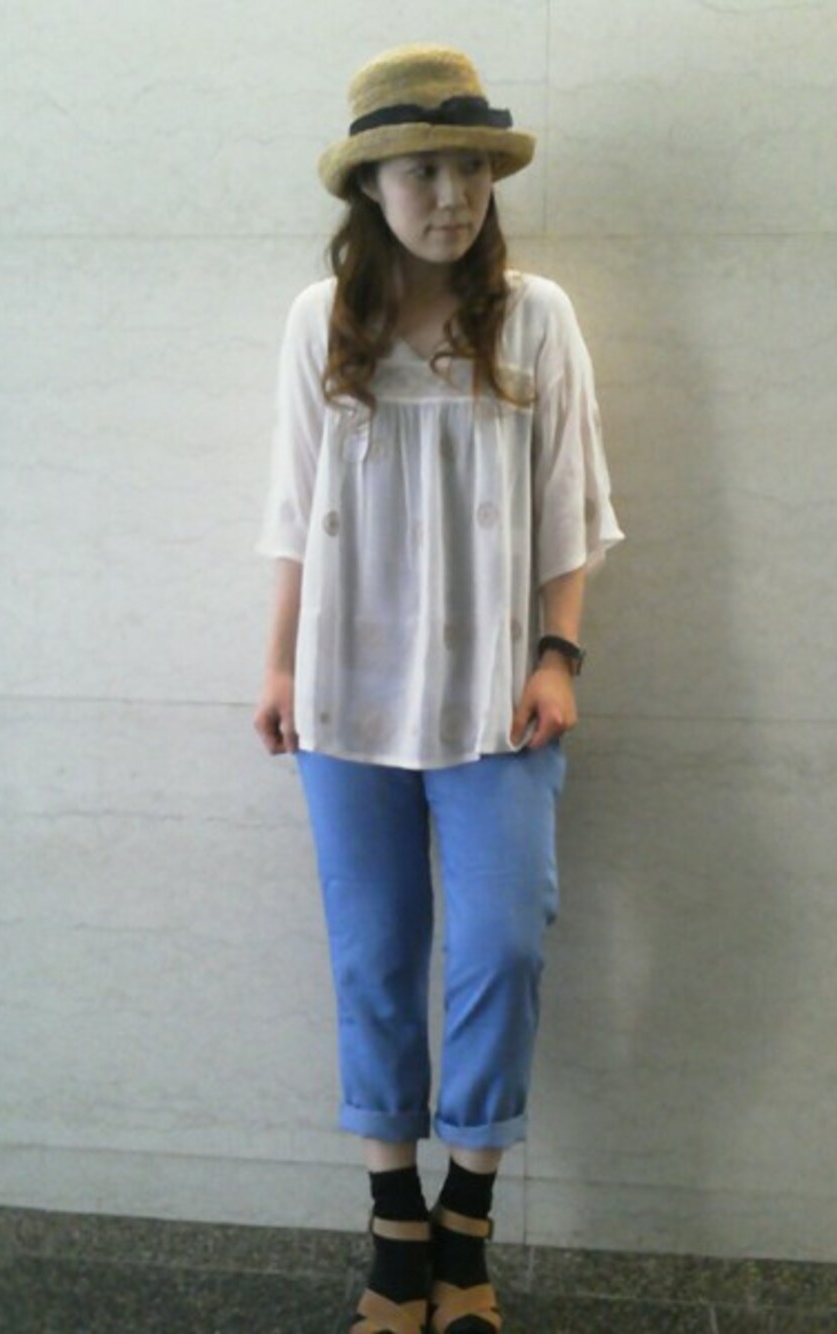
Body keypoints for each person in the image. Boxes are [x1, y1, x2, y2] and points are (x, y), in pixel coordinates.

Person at [254, 43, 623, 1334]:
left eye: (471, 167)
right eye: (422, 170)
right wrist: (278, 662)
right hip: (344, 693)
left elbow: (571, 505)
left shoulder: (536, 317)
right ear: (371, 186)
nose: (452, 194)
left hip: (497, 700)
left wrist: (558, 654)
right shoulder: (321, 322)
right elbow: (293, 510)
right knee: (374, 956)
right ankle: (397, 1236)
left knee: (504, 945)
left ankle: (468, 1221)